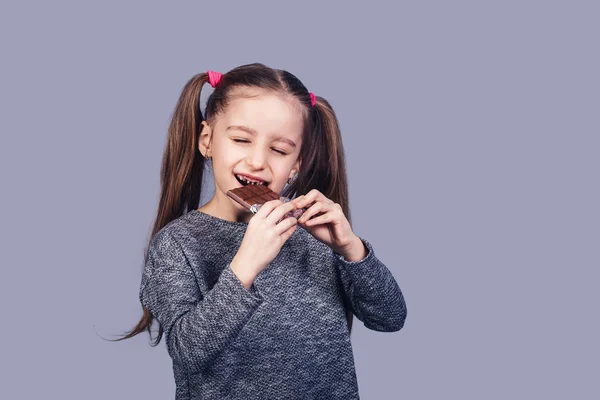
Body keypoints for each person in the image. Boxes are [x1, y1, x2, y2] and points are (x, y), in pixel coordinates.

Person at [115, 63, 407, 399]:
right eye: (241, 139)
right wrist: (245, 266)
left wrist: (352, 250)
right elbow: (188, 351)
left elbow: (391, 317)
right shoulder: (178, 244)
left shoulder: (313, 238)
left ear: (296, 164)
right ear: (207, 140)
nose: (257, 160)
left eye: (280, 150)